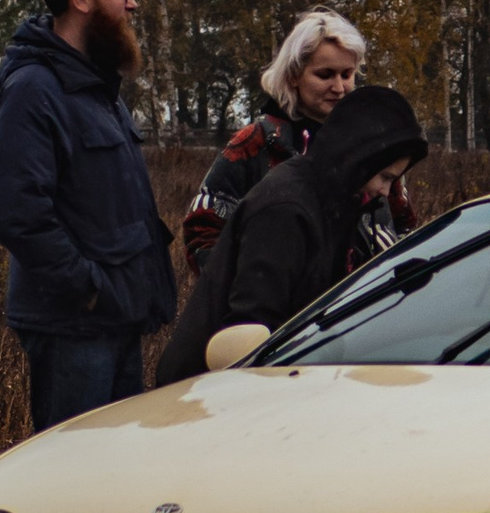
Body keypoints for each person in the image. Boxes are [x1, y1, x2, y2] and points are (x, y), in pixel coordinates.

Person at [0, 0, 178, 433]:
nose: (133, 4)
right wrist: (89, 290)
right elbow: (16, 213)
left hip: (115, 323)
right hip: (75, 329)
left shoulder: (98, 90)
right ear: (82, 0)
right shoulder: (35, 89)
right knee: (73, 483)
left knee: (116, 481)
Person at [157, 83, 430, 381]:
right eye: (385, 177)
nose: (385, 191)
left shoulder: (350, 201)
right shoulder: (285, 209)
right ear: (358, 158)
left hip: (286, 381)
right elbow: (254, 330)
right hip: (206, 394)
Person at [180, 9, 413, 272]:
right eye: (325, 75)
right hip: (282, 312)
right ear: (293, 74)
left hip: (363, 306)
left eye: (347, 75)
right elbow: (201, 231)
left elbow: (403, 223)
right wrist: (250, 291)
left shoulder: (372, 144)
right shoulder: (255, 143)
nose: (338, 87)